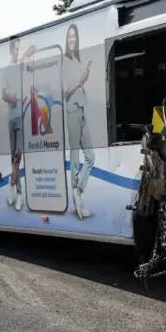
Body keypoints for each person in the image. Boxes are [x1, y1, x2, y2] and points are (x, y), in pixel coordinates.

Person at [63, 24, 94, 219]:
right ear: (67, 40)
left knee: (90, 157)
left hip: (81, 109)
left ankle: (78, 191)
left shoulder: (77, 59)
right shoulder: (65, 62)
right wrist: (80, 79)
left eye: (74, 36)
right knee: (75, 156)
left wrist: (85, 75)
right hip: (72, 110)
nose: (72, 39)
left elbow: (79, 84)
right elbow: (65, 91)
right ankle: (77, 196)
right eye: (70, 37)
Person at [2, 40, 36, 211]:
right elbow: (3, 96)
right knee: (12, 157)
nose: (17, 52)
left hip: (21, 117)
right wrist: (12, 98)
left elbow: (29, 53)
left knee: (18, 154)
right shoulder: (7, 70)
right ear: (10, 51)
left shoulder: (20, 66)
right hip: (11, 117)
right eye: (15, 50)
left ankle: (11, 186)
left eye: (18, 49)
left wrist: (27, 53)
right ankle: (19, 194)